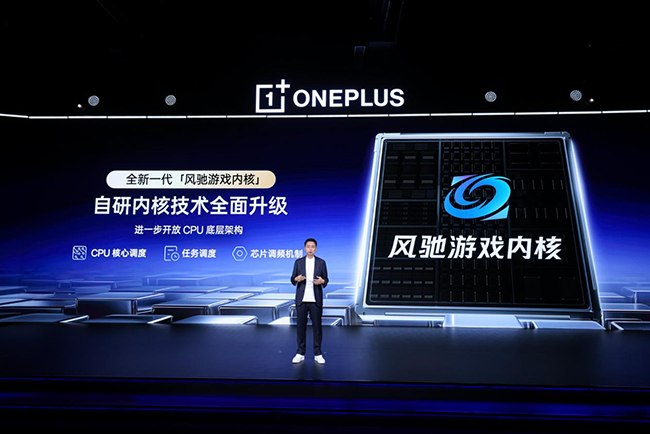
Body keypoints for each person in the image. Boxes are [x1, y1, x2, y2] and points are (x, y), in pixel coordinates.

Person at [290, 237, 329, 364]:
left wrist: (322, 281)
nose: (310, 249)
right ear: (304, 248)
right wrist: (296, 279)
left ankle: (318, 353)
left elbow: (326, 279)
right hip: (301, 299)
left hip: (315, 299)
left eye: (312, 247)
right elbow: (292, 279)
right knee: (300, 327)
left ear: (316, 248)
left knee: (317, 327)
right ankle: (300, 353)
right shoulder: (298, 262)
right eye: (308, 246)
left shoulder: (321, 262)